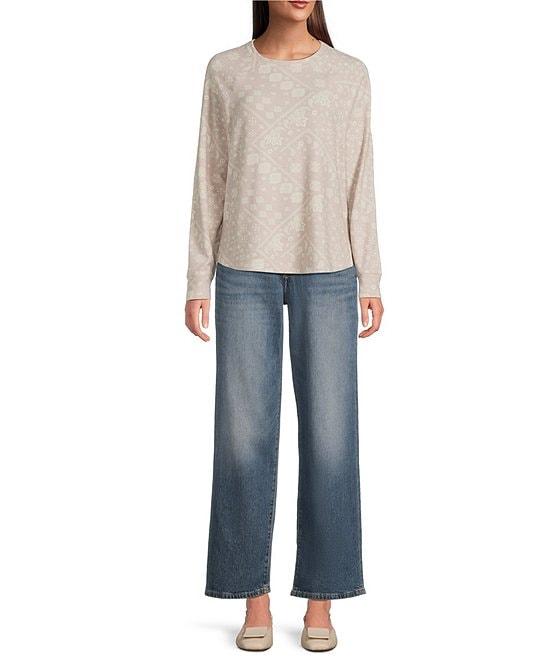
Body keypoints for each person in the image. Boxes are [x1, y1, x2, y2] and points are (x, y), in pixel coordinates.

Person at [185, 0, 383, 652]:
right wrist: (197, 279)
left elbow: (360, 179)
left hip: (329, 267)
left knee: (331, 435)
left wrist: (371, 276)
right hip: (243, 267)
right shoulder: (226, 72)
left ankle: (322, 600)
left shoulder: (349, 74)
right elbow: (209, 178)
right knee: (243, 436)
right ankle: (254, 596)